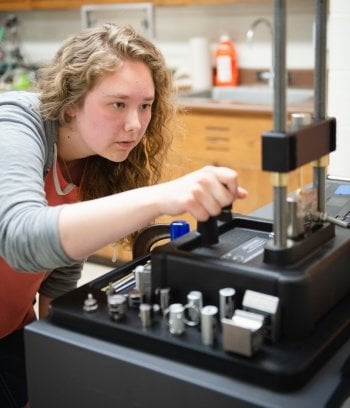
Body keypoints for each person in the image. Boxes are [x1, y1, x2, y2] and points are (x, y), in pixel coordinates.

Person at [0, 23, 247, 407]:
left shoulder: (95, 160)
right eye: (118, 104)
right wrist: (158, 196)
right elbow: (21, 239)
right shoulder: (16, 122)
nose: (135, 125)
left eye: (145, 106)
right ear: (71, 102)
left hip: (14, 330)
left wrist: (53, 366)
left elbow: (59, 276)